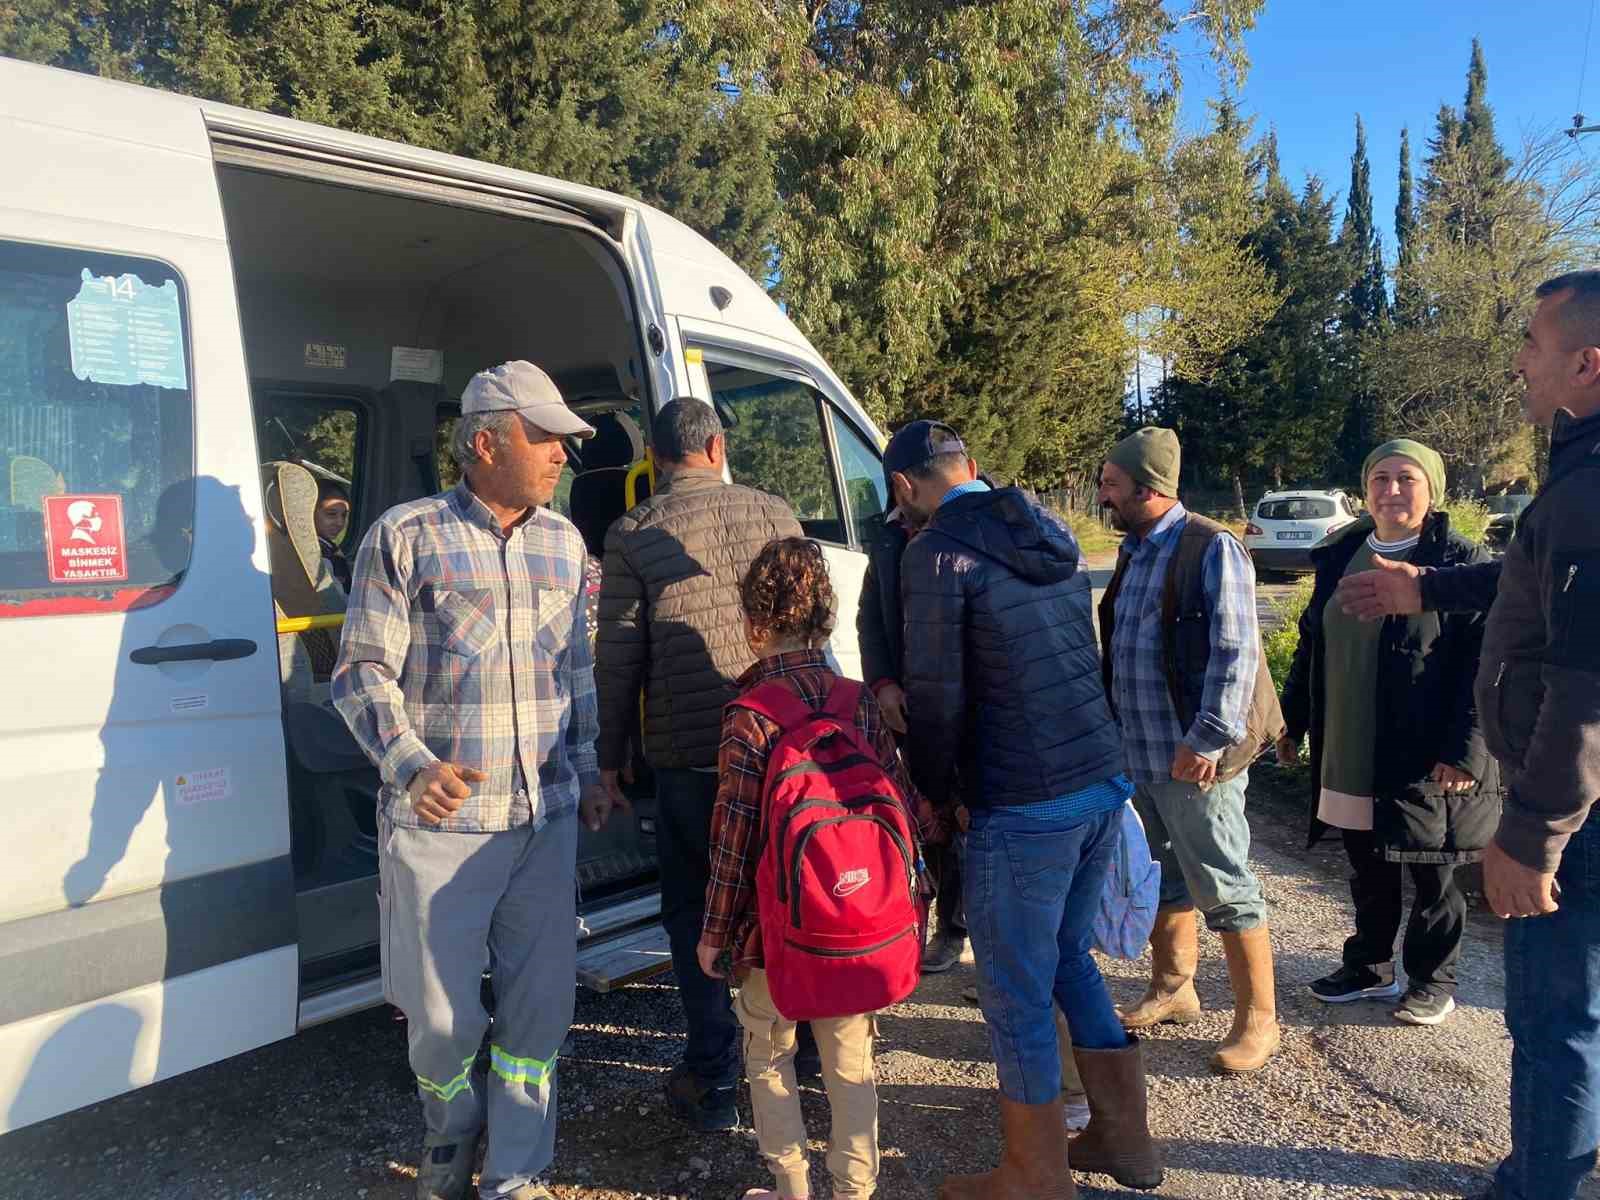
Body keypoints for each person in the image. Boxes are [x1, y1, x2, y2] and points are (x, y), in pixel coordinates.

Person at [1334, 271, 1600, 1200]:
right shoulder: (1577, 477)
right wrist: (1425, 589)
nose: (1520, 360)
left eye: (1533, 343)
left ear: (1587, 361)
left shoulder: (1590, 487)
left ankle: (1542, 1184)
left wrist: (1531, 833)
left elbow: (1583, 684)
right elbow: (1524, 578)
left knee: (1557, 1016)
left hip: (1571, 810)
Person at [332, 360, 604, 1200]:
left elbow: (577, 671)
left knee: (539, 1012)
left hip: (545, 817)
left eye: (565, 439)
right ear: (485, 442)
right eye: (545, 435)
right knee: (442, 1019)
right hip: (441, 828)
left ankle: (516, 1170)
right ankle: (450, 1130)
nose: (562, 453)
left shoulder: (564, 541)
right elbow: (360, 673)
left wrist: (589, 769)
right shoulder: (405, 535)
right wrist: (412, 767)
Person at [897, 421, 1161, 1197]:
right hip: (1097, 781)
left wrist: (937, 793)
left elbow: (936, 700)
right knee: (1068, 958)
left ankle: (1034, 1174)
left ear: (908, 486)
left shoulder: (934, 553)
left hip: (1022, 800)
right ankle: (1125, 1140)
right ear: (971, 469)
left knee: (1015, 991)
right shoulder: (1042, 528)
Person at [696, 537, 933, 1200]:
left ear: (752, 624)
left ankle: (791, 1187)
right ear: (826, 619)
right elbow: (899, 798)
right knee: (851, 1061)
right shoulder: (857, 700)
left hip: (777, 935)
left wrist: (715, 933)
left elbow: (734, 840)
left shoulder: (748, 717)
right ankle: (853, 1191)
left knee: (767, 1051)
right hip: (858, 924)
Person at [593, 397, 802, 1132]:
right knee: (781, 896)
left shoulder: (634, 531)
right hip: (779, 746)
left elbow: (618, 657)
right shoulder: (776, 511)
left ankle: (713, 1076)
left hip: (690, 757)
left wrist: (609, 758)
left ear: (656, 458)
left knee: (695, 912)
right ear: (716, 446)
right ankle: (801, 1054)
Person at [1278, 439, 1499, 1027]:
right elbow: (1312, 642)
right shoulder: (1343, 552)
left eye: (1407, 478)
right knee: (1367, 864)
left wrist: (1465, 752)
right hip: (1349, 741)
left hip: (1426, 748)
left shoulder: (1461, 561)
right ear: (1363, 489)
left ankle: (1432, 980)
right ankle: (1369, 966)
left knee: (1433, 869)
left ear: (1433, 490)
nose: (1392, 490)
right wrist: (1291, 718)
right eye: (1380, 478)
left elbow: (1485, 665)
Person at [1096, 427, 1284, 1074]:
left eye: (1112, 485)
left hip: (1194, 759)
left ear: (1148, 488)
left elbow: (1237, 651)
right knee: (1162, 877)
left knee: (1224, 884)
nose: (1103, 495)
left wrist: (1206, 739)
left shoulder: (1211, 546)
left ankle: (1260, 1021)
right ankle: (1174, 989)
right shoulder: (1135, 549)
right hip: (1140, 754)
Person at [314, 477, 353, 593]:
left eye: (344, 515)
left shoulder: (329, 547)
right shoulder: (319, 553)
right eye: (331, 514)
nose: (340, 523)